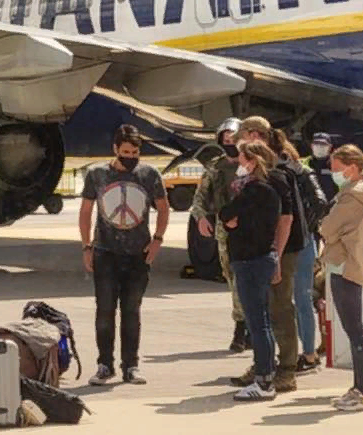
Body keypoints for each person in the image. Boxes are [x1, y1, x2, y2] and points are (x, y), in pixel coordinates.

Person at [79, 124, 171, 386]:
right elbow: (85, 211)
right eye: (126, 152)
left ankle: (131, 365)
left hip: (137, 254)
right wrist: (86, 246)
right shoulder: (97, 174)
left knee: (131, 311)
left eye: (135, 153)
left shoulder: (149, 174)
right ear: (115, 149)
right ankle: (104, 365)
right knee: (105, 310)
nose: (130, 157)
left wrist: (157, 240)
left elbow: (163, 208)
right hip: (106, 252)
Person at [232, 116, 313, 392]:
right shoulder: (261, 169)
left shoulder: (277, 171)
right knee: (261, 310)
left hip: (283, 248)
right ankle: (263, 365)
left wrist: (276, 256)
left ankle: (287, 369)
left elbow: (286, 219)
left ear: (255, 136)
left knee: (280, 308)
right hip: (262, 249)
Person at [219, 140, 284, 401]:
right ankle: (266, 375)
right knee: (262, 321)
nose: (239, 163)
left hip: (249, 260)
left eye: (243, 159)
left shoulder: (253, 191)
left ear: (254, 161)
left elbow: (226, 214)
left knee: (257, 323)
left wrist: (232, 222)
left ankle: (264, 380)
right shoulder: (269, 190)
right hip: (262, 258)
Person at [319, 144, 363, 411]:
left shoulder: (351, 197)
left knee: (355, 331)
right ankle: (359, 389)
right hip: (352, 265)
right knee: (354, 330)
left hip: (345, 267)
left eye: (337, 168)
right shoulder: (362, 193)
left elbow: (327, 228)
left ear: (352, 168)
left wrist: (326, 230)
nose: (334, 174)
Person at [190, 117, 249, 352]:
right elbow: (200, 199)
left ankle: (250, 328)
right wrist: (201, 218)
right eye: (225, 140)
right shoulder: (215, 168)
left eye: (234, 139)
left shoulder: (254, 165)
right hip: (225, 230)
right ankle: (241, 326)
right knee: (232, 277)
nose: (230, 144)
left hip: (253, 229)